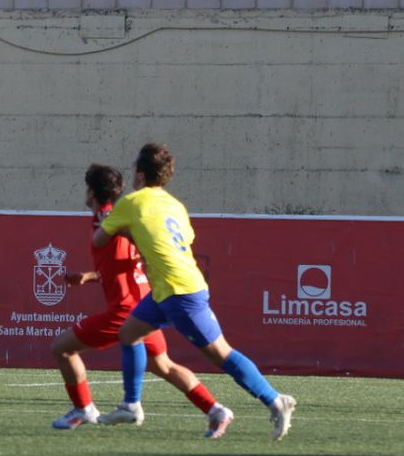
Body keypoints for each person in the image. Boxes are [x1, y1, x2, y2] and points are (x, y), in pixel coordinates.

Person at [100, 142, 297, 440]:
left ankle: (274, 400)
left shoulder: (132, 202)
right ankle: (131, 404)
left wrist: (114, 225)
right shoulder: (175, 205)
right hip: (167, 290)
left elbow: (102, 236)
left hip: (180, 293)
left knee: (221, 354)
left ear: (139, 174)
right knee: (129, 333)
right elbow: (182, 238)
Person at [50, 163, 234, 439]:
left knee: (62, 348)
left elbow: (134, 252)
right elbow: (126, 264)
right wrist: (88, 277)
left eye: (87, 188)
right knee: (164, 366)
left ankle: (83, 408)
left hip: (125, 310)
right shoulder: (115, 219)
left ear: (92, 192)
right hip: (144, 308)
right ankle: (216, 410)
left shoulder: (110, 221)